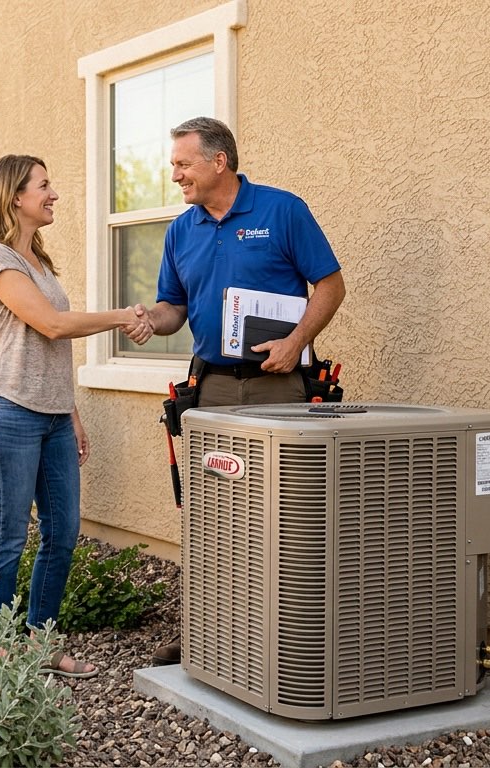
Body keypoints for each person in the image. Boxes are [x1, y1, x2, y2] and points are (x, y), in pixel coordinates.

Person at [133, 117, 345, 666]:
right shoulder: (182, 230)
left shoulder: (282, 210)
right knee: (211, 514)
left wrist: (297, 340)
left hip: (283, 387)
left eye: (183, 163)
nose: (174, 173)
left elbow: (331, 284)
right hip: (215, 388)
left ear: (218, 161)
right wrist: (145, 320)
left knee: (289, 514)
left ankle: (290, 639)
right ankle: (206, 632)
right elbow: (172, 308)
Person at [0, 154, 152, 679]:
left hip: (50, 416)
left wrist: (70, 412)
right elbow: (50, 325)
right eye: (44, 186)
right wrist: (122, 315)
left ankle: (40, 641)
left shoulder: (41, 264)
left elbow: (51, 350)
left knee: (63, 531)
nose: (54, 194)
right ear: (15, 197)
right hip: (7, 411)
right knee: (9, 535)